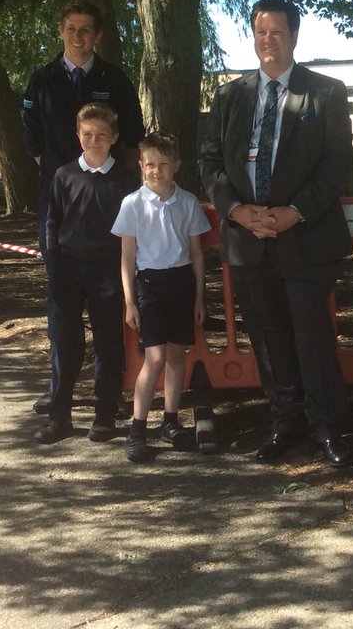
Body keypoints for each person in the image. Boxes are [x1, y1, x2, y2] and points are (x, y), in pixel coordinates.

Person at [199, 0, 353, 468]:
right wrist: (236, 211)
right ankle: (284, 424)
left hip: (306, 237)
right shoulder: (229, 97)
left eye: (278, 32)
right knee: (268, 339)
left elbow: (336, 164)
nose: (268, 40)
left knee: (312, 336)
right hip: (249, 240)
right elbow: (209, 163)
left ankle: (327, 428)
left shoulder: (325, 93)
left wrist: (295, 212)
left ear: (294, 36)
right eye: (261, 32)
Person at [22, 0, 145, 415]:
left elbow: (132, 136)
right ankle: (59, 390)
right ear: (60, 31)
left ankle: (111, 394)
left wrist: (114, 181)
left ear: (97, 35)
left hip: (108, 204)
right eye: (71, 28)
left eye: (86, 29)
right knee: (62, 309)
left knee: (110, 309)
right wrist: (62, 174)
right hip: (61, 203)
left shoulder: (115, 79)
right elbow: (31, 135)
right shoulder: (42, 80)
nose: (78, 37)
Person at [33, 104, 138, 445]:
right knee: (65, 343)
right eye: (88, 134)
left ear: (114, 138)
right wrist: (53, 263)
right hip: (67, 270)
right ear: (78, 136)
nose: (94, 141)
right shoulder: (64, 175)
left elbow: (132, 230)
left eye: (101, 135)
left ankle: (105, 415)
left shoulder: (125, 180)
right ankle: (59, 416)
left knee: (108, 344)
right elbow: (52, 221)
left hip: (108, 272)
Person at [112, 132, 211, 463]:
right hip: (150, 285)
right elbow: (127, 257)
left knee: (177, 356)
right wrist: (130, 301)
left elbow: (196, 253)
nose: (157, 171)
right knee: (154, 357)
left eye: (164, 165)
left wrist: (199, 298)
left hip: (181, 283)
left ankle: (171, 421)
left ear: (177, 165)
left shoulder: (188, 202)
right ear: (141, 165)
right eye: (151, 165)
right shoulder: (133, 204)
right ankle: (137, 428)